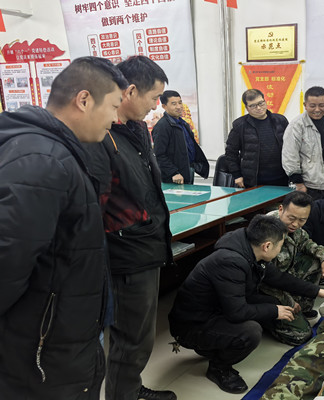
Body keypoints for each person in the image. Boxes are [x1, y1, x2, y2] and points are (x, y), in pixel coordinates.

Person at [0, 57, 127, 399]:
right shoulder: (43, 161)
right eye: (114, 106)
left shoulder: (56, 151)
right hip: (43, 351)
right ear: (84, 100)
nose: (116, 119)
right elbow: (7, 263)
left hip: (59, 335)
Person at [85, 56, 176, 400]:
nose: (156, 106)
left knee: (141, 335)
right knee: (129, 338)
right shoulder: (100, 137)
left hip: (146, 244)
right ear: (131, 91)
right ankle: (123, 395)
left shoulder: (136, 129)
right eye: (154, 97)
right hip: (125, 253)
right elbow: (95, 207)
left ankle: (131, 388)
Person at [168, 215, 324, 394]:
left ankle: (218, 344)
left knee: (272, 301)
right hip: (191, 325)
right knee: (251, 331)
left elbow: (279, 278)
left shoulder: (248, 248)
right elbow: (237, 312)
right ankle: (219, 367)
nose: (280, 249)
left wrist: (318, 291)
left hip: (217, 308)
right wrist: (274, 311)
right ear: (267, 246)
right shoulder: (230, 262)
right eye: (280, 245)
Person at [261, 191, 324, 344]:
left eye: (302, 220)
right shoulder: (266, 231)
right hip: (263, 291)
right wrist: (288, 300)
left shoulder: (294, 229)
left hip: (282, 279)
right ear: (281, 209)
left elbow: (307, 243)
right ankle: (264, 319)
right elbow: (264, 278)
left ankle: (303, 308)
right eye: (292, 218)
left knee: (315, 261)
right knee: (301, 335)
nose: (295, 224)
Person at [282, 86, 324, 200]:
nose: (317, 110)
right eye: (312, 106)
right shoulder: (296, 125)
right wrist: (298, 183)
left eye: (321, 105)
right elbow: (289, 156)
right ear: (305, 105)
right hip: (310, 185)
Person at [225, 88, 289, 188]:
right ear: (247, 108)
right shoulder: (240, 125)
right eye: (253, 106)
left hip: (282, 178)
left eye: (261, 103)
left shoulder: (280, 121)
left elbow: (291, 147)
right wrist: (237, 175)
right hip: (253, 180)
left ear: (265, 101)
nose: (259, 108)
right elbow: (230, 153)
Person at [152, 89, 209, 184]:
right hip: (175, 177)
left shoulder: (183, 124)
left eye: (180, 103)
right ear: (164, 106)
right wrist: (173, 172)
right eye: (174, 104)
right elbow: (159, 155)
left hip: (187, 170)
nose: (179, 107)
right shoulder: (162, 126)